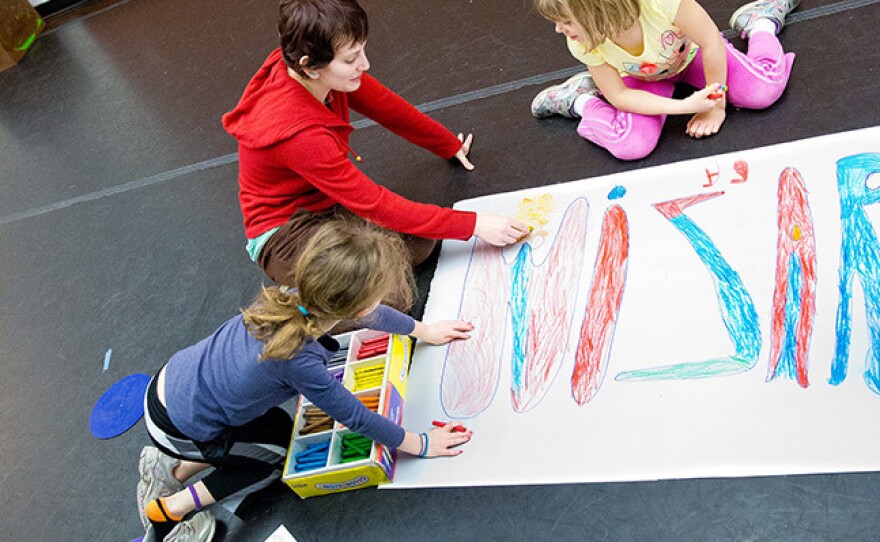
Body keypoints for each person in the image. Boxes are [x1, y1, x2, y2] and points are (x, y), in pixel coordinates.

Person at [135, 218, 475, 541]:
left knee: (279, 428)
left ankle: (175, 462)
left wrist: (425, 330)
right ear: (355, 307)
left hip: (171, 385)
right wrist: (420, 444)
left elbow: (370, 314)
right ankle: (170, 508)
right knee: (269, 458)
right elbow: (356, 416)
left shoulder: (298, 296)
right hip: (180, 426)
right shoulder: (299, 360)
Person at [222, 0, 528, 289]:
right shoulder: (299, 136)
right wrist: (473, 224)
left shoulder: (318, 72)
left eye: (362, 52)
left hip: (326, 203)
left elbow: (388, 108)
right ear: (309, 65)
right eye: (352, 59)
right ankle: (298, 313)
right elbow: (374, 203)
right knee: (386, 297)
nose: (364, 65)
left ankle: (332, 284)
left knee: (419, 244)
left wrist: (447, 144)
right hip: (286, 235)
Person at [530, 0, 798, 160]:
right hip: (640, 79)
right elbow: (620, 96)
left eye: (565, 20)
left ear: (598, 11)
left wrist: (715, 105)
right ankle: (581, 100)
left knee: (763, 91)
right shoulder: (583, 38)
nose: (558, 29)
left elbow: (709, 42)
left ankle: (759, 23)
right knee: (631, 145)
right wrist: (688, 107)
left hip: (691, 56)